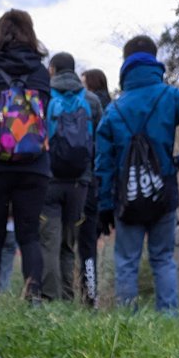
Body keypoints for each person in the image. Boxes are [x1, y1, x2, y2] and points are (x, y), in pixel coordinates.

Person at [94, 36, 179, 314]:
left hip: (127, 195)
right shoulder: (171, 96)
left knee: (126, 261)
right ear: (154, 60)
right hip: (163, 189)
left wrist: (105, 205)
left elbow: (103, 164)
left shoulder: (114, 109)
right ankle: (169, 317)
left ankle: (127, 321)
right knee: (163, 258)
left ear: (126, 64)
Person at [0, 9, 51, 298]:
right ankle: (33, 298)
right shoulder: (41, 72)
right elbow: (46, 117)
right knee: (29, 236)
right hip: (35, 165)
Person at [39, 52, 103, 301]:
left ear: (52, 69)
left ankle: (49, 298)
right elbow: (98, 142)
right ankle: (67, 297)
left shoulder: (44, 97)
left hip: (49, 180)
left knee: (49, 243)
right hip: (80, 182)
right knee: (68, 244)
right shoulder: (91, 100)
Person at [78, 68, 111, 306]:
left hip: (75, 180)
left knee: (66, 243)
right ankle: (91, 295)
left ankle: (62, 294)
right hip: (97, 185)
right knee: (89, 246)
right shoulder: (111, 106)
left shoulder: (85, 103)